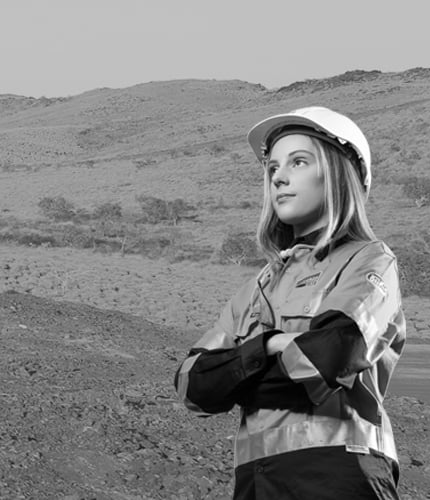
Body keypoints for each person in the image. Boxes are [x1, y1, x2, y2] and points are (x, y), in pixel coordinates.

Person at [173, 106, 406, 499]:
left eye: (298, 162)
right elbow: (192, 386)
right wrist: (270, 345)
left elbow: (329, 357)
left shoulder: (368, 260)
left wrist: (236, 374)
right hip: (254, 483)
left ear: (336, 172)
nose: (279, 177)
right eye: (273, 168)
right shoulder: (256, 289)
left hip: (340, 477)